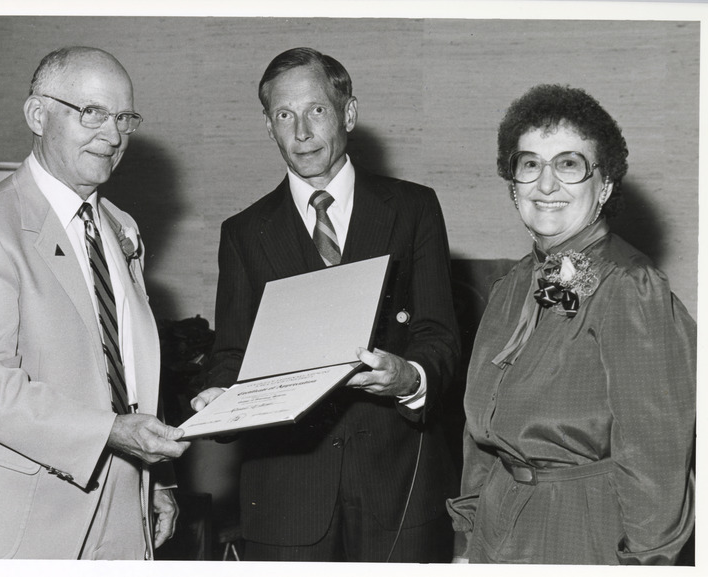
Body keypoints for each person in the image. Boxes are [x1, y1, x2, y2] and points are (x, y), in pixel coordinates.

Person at [191, 47, 460, 562]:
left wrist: (410, 378)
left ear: (348, 114)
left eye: (316, 110)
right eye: (283, 115)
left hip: (399, 487)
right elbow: (232, 353)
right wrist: (220, 394)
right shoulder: (243, 233)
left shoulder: (414, 208)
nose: (301, 132)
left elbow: (439, 336)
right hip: (286, 497)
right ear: (269, 127)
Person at [0, 46, 191, 559]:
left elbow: (126, 368)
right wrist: (110, 432)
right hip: (11, 523)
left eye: (124, 118)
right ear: (37, 115)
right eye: (92, 113)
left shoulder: (121, 226)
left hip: (120, 508)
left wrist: (155, 478)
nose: (113, 136)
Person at [446, 84, 696, 564]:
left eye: (568, 164)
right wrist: (468, 539)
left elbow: (657, 463)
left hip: (584, 532)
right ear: (513, 183)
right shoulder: (511, 287)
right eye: (529, 165)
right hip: (497, 529)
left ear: (605, 185)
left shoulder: (631, 288)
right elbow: (480, 438)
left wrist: (644, 563)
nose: (545, 185)